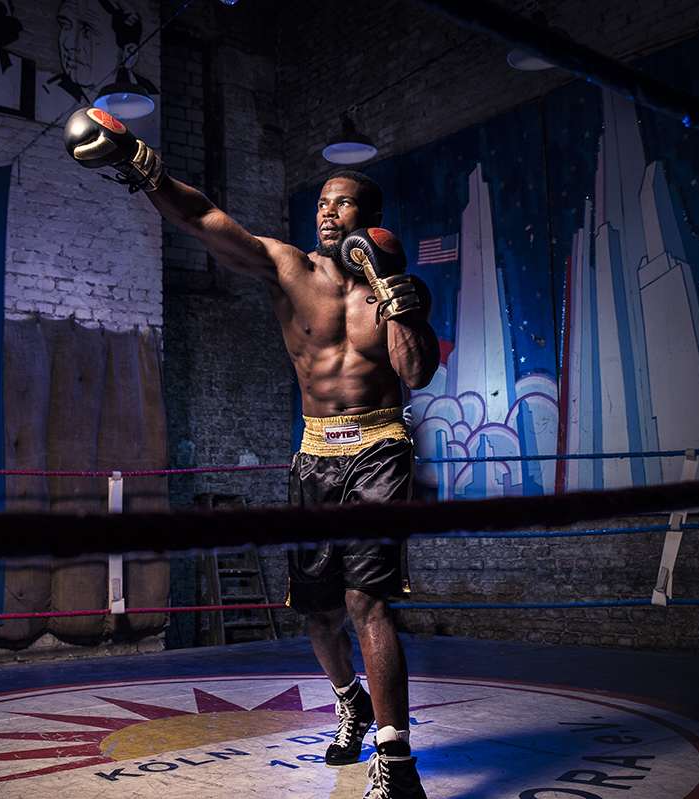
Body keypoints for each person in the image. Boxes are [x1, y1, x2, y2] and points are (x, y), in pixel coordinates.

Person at [63, 108, 440, 799]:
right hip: (315, 452)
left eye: (343, 202)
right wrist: (143, 166)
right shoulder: (289, 270)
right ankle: (348, 699)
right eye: (322, 203)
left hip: (382, 445)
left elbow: (416, 373)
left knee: (368, 603)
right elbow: (208, 221)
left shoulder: (399, 291)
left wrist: (394, 295)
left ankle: (396, 758)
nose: (328, 213)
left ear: (371, 215)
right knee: (319, 611)